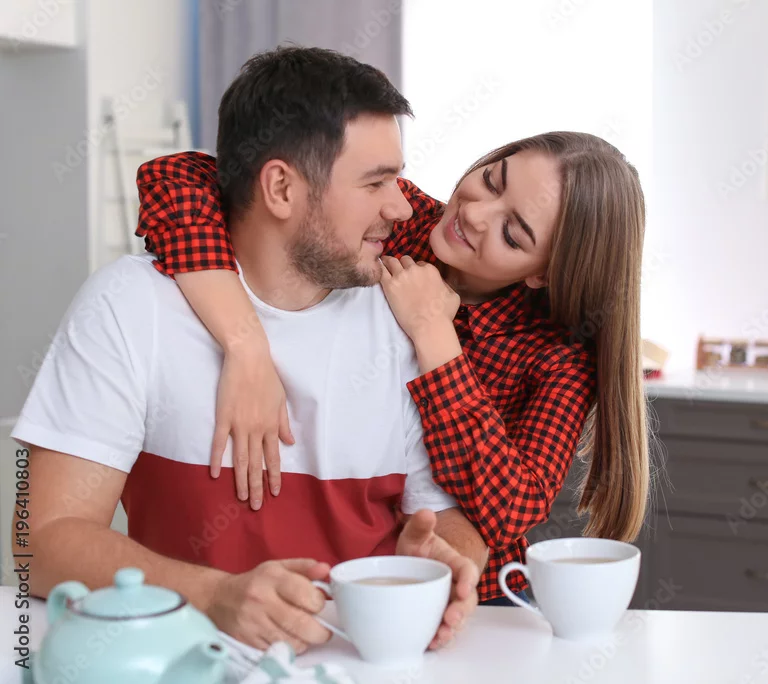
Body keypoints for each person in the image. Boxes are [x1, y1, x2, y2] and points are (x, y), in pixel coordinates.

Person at [11, 46, 485, 653]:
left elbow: (446, 516)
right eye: (375, 183)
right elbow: (41, 541)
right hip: (187, 661)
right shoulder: (128, 305)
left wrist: (445, 559)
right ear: (281, 188)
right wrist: (213, 596)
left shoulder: (409, 314)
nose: (402, 208)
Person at [134, 103, 653, 608]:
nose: (473, 214)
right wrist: (245, 345)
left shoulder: (559, 355)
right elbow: (176, 178)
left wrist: (435, 338)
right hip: (351, 573)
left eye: (512, 233)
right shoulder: (401, 219)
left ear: (543, 274)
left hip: (471, 599)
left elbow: (510, 509)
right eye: (492, 180)